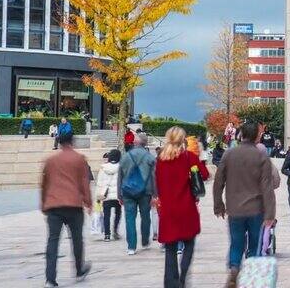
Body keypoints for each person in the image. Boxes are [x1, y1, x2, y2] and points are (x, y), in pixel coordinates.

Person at [213, 120, 276, 287]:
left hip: (235, 209)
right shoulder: (261, 156)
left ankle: (234, 268)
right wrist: (270, 214)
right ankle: (250, 275)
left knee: (236, 242)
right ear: (256, 135)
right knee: (255, 245)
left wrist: (218, 205)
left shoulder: (229, 154)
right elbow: (267, 187)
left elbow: (218, 181)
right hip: (256, 209)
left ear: (240, 134)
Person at [155, 126, 210, 288]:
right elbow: (205, 174)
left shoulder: (160, 160)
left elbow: (157, 183)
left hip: (168, 209)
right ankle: (183, 277)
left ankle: (171, 282)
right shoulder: (189, 157)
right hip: (186, 207)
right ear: (183, 139)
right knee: (189, 244)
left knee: (170, 248)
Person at [40, 132, 92, 287]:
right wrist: (88, 202)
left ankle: (50, 278)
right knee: (77, 239)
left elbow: (44, 183)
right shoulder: (79, 159)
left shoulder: (50, 160)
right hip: (74, 205)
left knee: (53, 241)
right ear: (72, 142)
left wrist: (44, 203)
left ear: (59, 142)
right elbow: (84, 182)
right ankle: (79, 270)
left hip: (54, 205)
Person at [118, 131, 157, 255]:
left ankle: (131, 246)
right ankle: (145, 241)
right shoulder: (150, 157)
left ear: (135, 142)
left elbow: (120, 175)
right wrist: (155, 194)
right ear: (145, 143)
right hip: (145, 192)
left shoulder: (126, 156)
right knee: (145, 216)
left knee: (129, 218)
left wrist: (119, 193)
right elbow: (154, 176)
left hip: (128, 191)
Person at [96, 148, 122, 241]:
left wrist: (98, 196)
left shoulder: (103, 168)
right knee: (118, 213)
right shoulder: (121, 167)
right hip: (117, 195)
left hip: (106, 195)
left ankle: (107, 235)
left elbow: (99, 183)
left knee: (106, 215)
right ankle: (115, 230)